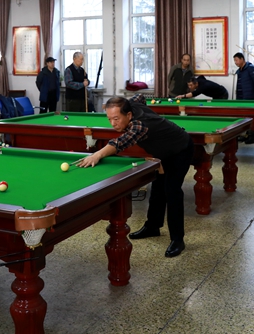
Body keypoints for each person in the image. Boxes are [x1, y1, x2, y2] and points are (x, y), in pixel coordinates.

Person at [77, 95, 194, 258]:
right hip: (163, 151)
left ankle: (178, 240)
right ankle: (152, 227)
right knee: (157, 189)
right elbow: (140, 97)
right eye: (109, 119)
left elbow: (120, 143)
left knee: (172, 191)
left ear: (129, 115)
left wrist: (97, 155)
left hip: (180, 149)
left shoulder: (140, 126)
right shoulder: (129, 104)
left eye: (116, 119)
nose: (113, 123)